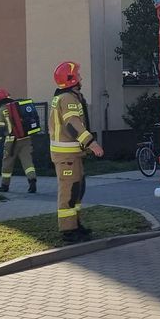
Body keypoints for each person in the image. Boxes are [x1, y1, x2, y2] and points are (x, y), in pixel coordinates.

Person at [49, 61, 104, 242]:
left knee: (77, 190)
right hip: (67, 156)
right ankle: (68, 231)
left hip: (73, 155)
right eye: (78, 74)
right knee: (69, 192)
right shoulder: (67, 99)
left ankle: (75, 225)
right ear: (71, 79)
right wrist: (92, 143)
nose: (81, 77)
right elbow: (73, 125)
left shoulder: (69, 96)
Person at [0, 88, 37, 193]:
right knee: (27, 161)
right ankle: (32, 181)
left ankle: (4, 185)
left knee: (7, 163)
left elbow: (0, 129)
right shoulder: (18, 106)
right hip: (25, 138)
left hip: (11, 141)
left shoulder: (1, 111)